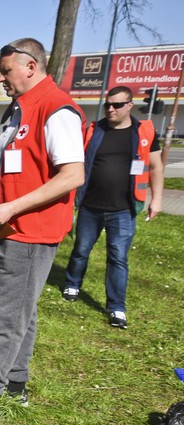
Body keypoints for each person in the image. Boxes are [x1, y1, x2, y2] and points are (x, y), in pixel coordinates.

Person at [0, 38, 86, 425]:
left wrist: (11, 207)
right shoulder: (21, 107)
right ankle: (15, 382)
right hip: (8, 227)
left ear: (30, 66)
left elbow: (72, 175)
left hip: (30, 231)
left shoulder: (55, 108)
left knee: (7, 313)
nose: (1, 79)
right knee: (23, 307)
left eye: (6, 71)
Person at [62, 85, 164, 329]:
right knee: (81, 249)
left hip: (123, 209)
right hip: (90, 205)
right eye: (108, 104)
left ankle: (117, 307)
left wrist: (157, 199)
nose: (111, 109)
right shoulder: (94, 130)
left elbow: (156, 167)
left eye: (117, 105)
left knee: (118, 257)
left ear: (129, 105)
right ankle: (72, 284)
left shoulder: (144, 131)